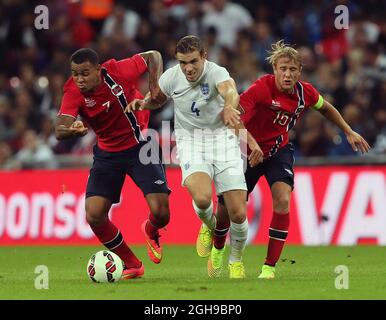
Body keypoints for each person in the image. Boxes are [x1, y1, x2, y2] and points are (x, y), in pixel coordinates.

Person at [216, 40, 370, 280]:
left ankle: (269, 267)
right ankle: (217, 247)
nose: (287, 74)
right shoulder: (261, 88)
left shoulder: (304, 92)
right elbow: (235, 119)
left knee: (283, 202)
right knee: (227, 212)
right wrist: (252, 143)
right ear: (275, 69)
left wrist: (348, 131)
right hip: (246, 153)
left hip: (278, 151)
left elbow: (326, 107)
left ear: (299, 71)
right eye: (283, 69)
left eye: (292, 70)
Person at [126, 35, 262, 279]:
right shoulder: (171, 76)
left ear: (204, 57)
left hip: (223, 141)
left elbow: (230, 92)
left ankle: (235, 261)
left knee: (238, 214)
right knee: (201, 199)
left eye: (193, 62)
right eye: (182, 63)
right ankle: (213, 231)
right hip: (191, 142)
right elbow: (158, 99)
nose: (188, 68)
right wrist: (143, 104)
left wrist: (230, 106)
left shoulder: (217, 72)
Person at [55, 48, 171, 279]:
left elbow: (153, 56)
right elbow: (59, 129)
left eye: (85, 73)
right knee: (94, 215)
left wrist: (154, 86)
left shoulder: (119, 71)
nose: (79, 79)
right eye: (75, 73)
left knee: (161, 213)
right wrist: (71, 131)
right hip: (107, 155)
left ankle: (150, 229)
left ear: (99, 69)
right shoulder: (73, 91)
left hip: (140, 147)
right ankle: (132, 264)